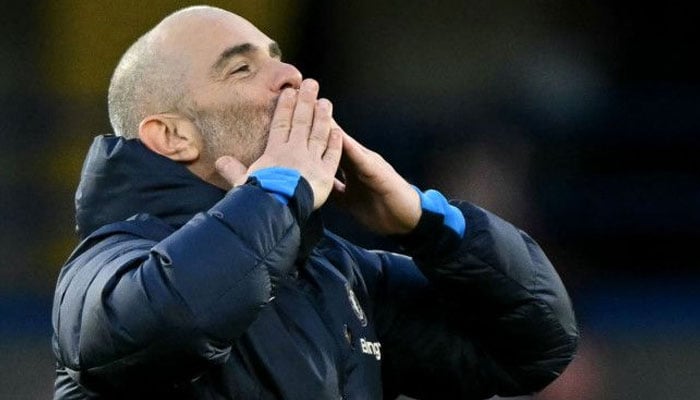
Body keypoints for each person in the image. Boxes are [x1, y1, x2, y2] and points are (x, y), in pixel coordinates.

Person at [51, 6, 578, 400]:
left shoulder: (342, 276)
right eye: (241, 69)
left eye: (279, 59)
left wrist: (427, 222)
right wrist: (275, 194)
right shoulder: (109, 262)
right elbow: (159, 324)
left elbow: (538, 344)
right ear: (172, 136)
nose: (292, 77)